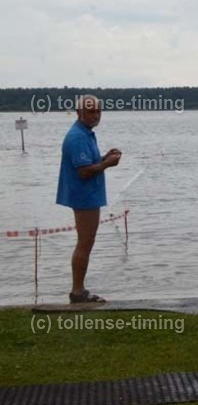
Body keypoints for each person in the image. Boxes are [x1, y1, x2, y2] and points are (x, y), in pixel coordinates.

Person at [56, 95, 121, 304]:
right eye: (90, 111)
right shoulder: (77, 137)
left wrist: (103, 157)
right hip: (84, 197)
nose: (95, 115)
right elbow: (83, 171)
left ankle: (79, 290)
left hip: (89, 195)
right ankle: (77, 292)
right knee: (84, 243)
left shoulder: (86, 134)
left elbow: (88, 163)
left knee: (86, 242)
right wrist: (107, 164)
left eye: (98, 111)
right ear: (79, 113)